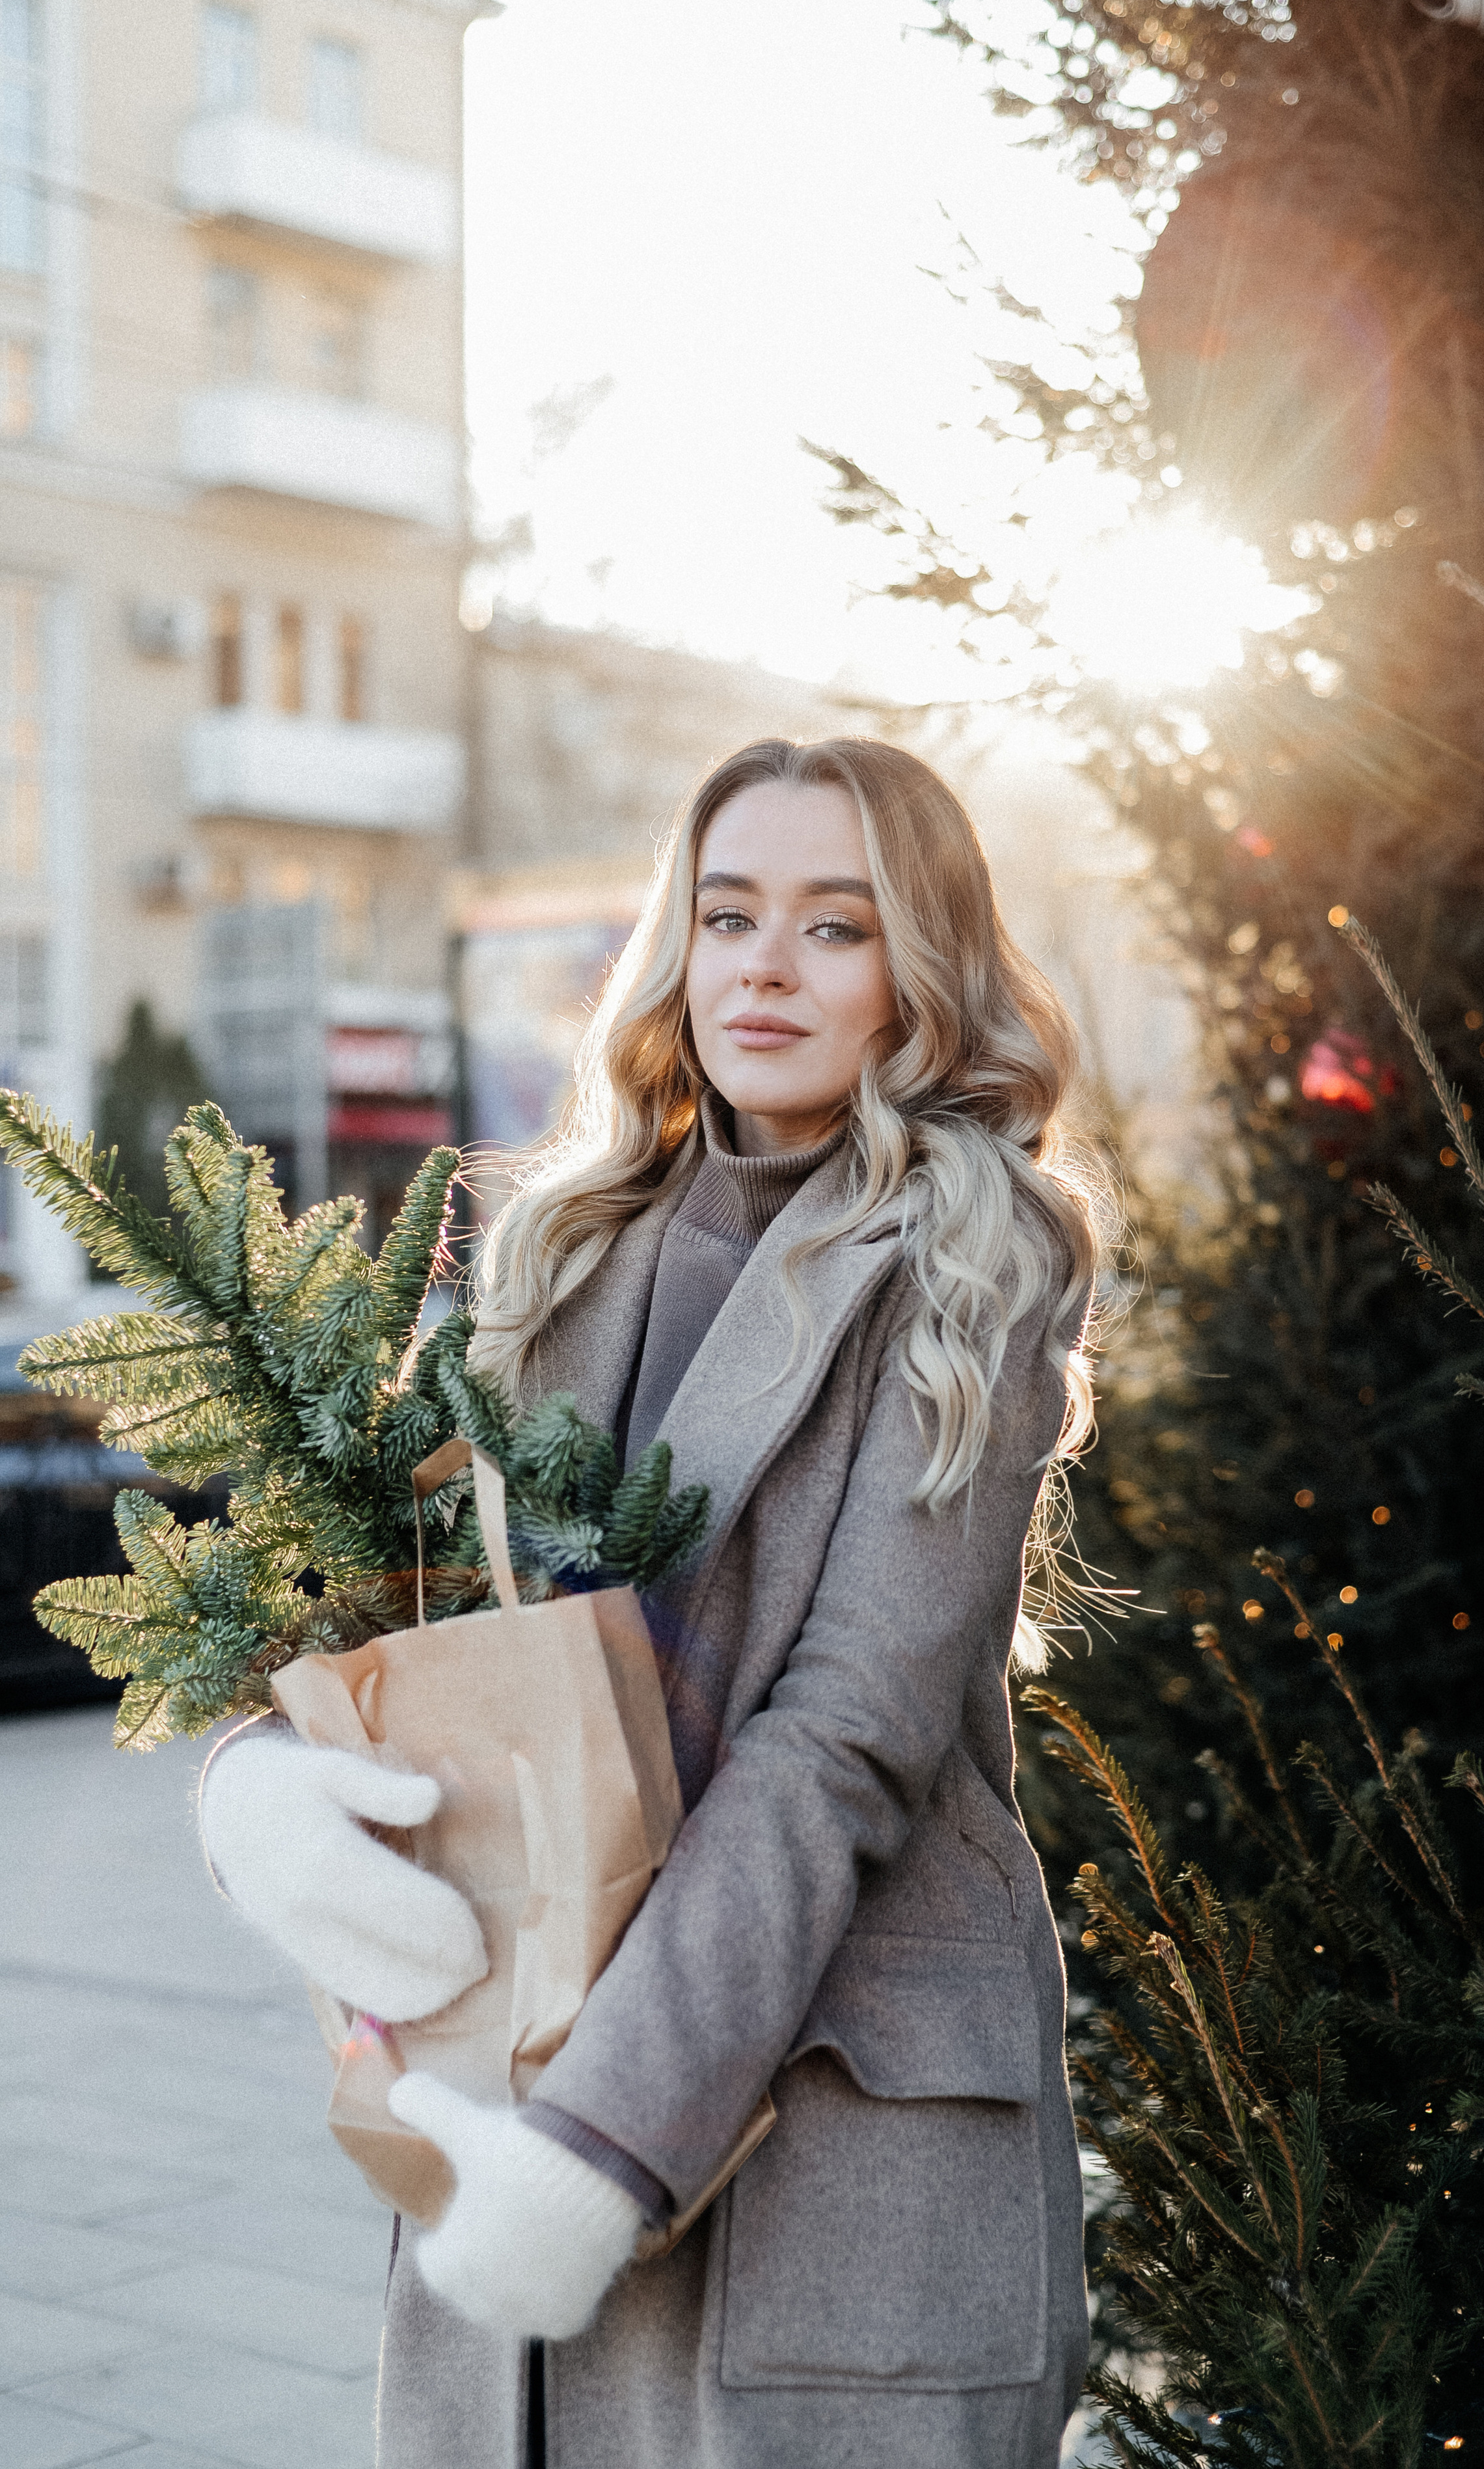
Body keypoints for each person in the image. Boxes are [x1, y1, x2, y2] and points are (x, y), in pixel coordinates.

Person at [201, 737, 1111, 2469]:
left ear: (919, 971)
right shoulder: (556, 1248)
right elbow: (377, 1605)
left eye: (836, 926)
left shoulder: (975, 1263)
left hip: (820, 2110)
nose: (766, 966)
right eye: (729, 914)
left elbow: (847, 1737)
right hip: (519, 2064)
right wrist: (266, 1783)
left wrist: (603, 2142)